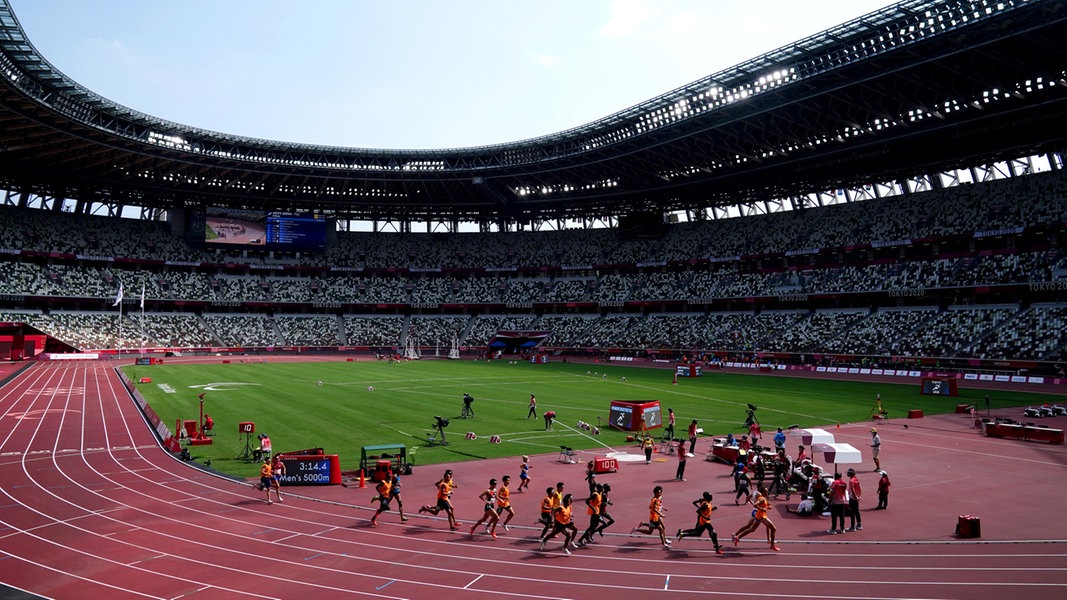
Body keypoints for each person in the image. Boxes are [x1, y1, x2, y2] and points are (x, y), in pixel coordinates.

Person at [731, 484, 780, 551]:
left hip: (758, 515)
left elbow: (756, 503)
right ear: (763, 492)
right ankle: (772, 545)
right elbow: (755, 504)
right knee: (773, 529)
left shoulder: (761, 497)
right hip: (761, 516)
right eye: (766, 491)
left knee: (751, 529)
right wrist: (762, 509)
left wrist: (766, 507)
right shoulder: (761, 498)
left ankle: (738, 537)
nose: (767, 492)